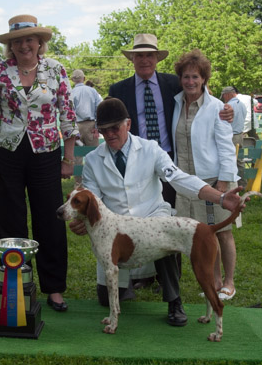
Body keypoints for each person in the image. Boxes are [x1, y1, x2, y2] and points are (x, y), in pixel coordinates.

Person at [68, 97, 244, 326]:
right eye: (104, 130)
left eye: (115, 128)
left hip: (152, 216)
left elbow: (179, 178)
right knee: (105, 299)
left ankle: (174, 300)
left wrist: (220, 198)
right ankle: (128, 284)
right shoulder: (93, 160)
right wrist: (81, 219)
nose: (110, 134)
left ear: (128, 124)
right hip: (118, 229)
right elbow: (92, 200)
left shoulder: (150, 148)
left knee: (167, 231)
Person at [108, 33, 234, 290]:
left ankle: (170, 285)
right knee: (135, 220)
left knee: (170, 225)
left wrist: (228, 110)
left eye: (149, 55)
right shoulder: (118, 90)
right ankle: (137, 276)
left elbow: (200, 92)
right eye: (139, 55)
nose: (144, 60)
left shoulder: (171, 85)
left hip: (167, 165)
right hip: (134, 166)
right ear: (132, 59)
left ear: (157, 58)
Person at [0, 14, 79, 312]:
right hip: (5, 153)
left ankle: (55, 288)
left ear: (40, 42)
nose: (25, 45)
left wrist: (68, 158)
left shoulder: (56, 69)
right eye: (18, 41)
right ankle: (17, 286)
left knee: (50, 219)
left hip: (46, 152)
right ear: (11, 45)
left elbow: (68, 115)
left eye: (30, 39)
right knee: (10, 218)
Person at [171, 50, 240, 301]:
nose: (190, 82)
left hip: (215, 180)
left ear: (204, 79)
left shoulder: (217, 108)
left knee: (223, 232)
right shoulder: (177, 103)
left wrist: (224, 180)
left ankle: (229, 282)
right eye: (186, 77)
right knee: (203, 233)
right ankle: (215, 281)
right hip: (189, 183)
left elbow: (225, 146)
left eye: (196, 77)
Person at [71, 69, 102, 183]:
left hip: (76, 126)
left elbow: (69, 112)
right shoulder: (92, 91)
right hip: (91, 125)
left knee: (77, 156)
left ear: (72, 80)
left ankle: (78, 184)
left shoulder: (71, 92)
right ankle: (94, 182)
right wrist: (97, 128)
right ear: (84, 78)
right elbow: (99, 108)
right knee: (94, 155)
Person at [221, 86, 247, 188]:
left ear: (227, 94)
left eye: (223, 96)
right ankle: (242, 184)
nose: (223, 98)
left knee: (229, 160)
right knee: (240, 161)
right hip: (240, 135)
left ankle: (231, 184)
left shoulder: (228, 106)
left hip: (231, 136)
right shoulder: (242, 105)